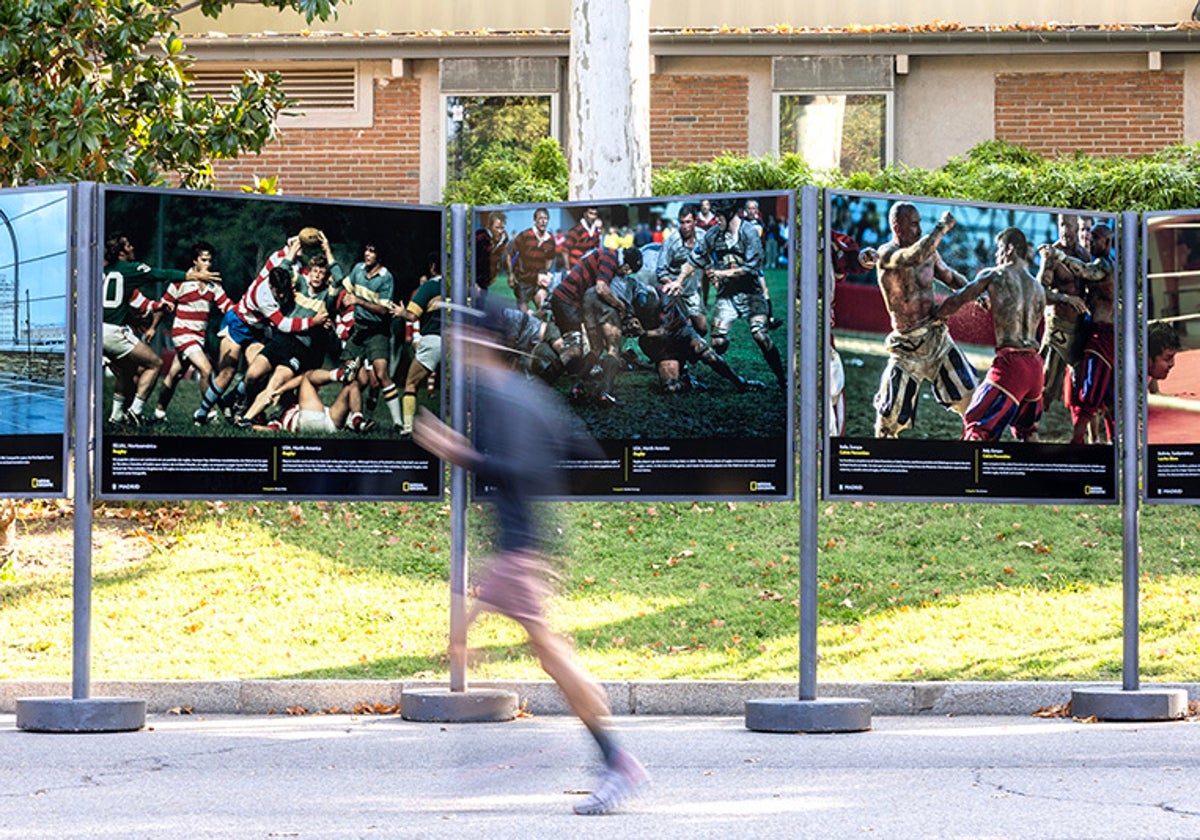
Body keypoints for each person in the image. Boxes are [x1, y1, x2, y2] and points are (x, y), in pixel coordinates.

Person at [411, 308, 648, 817]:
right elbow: (580, 447)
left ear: (485, 340)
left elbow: (519, 467)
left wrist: (459, 453)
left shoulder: (502, 396)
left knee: (550, 656)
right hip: (527, 545)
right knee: (546, 652)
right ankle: (614, 756)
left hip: (521, 548)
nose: (455, 340)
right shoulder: (522, 392)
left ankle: (617, 759)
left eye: (463, 332)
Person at [940, 228, 1084, 442]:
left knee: (976, 421)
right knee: (1028, 431)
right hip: (1036, 367)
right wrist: (1066, 298)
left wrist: (936, 315)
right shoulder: (1036, 286)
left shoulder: (994, 274)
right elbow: (1051, 297)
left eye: (999, 250)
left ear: (1009, 249)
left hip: (1011, 366)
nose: (996, 256)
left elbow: (959, 298)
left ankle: (971, 474)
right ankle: (1033, 474)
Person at [871, 202, 979, 438]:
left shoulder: (929, 250)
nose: (919, 229)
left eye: (920, 224)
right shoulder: (886, 255)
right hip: (906, 347)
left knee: (972, 399)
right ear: (897, 227)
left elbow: (949, 276)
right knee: (888, 421)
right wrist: (941, 227)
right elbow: (913, 256)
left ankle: (973, 455)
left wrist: (974, 292)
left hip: (937, 338)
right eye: (913, 225)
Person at [102, 232, 219, 425]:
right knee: (155, 364)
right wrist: (192, 275)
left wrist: (149, 311)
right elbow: (161, 274)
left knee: (131, 370)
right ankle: (136, 412)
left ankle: (119, 416)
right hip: (115, 332)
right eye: (128, 245)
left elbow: (134, 302)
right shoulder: (131, 269)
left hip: (96, 331)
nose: (132, 247)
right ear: (121, 252)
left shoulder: (103, 271)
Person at [670, 199, 787, 389]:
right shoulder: (714, 234)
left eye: (719, 216)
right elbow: (694, 259)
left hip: (751, 293)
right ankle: (732, 376)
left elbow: (751, 268)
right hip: (727, 295)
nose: (716, 220)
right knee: (717, 342)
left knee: (760, 336)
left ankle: (782, 380)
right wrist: (679, 280)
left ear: (731, 214)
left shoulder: (749, 233)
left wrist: (721, 273)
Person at [548, 245, 643, 406]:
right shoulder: (610, 257)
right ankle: (605, 393)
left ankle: (577, 387)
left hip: (581, 301)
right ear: (627, 266)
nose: (626, 274)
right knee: (607, 348)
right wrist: (621, 307)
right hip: (568, 301)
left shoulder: (606, 253)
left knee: (595, 349)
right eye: (628, 271)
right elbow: (601, 288)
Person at [149, 241, 233, 421]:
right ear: (195, 261)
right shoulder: (181, 282)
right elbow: (163, 306)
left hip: (198, 338)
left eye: (210, 260)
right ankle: (208, 415)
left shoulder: (214, 286)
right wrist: (152, 328)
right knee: (206, 369)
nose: (208, 264)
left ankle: (158, 412)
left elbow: (228, 308)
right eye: (204, 260)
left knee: (174, 375)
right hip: (182, 334)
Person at [1053, 223, 1117, 443]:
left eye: (1096, 237)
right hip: (1096, 332)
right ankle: (1103, 442)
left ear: (1107, 242)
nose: (1090, 240)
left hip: (1103, 337)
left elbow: (1085, 272)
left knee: (1089, 393)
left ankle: (1077, 443)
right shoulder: (1105, 263)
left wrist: (1059, 257)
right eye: (1090, 236)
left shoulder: (1104, 264)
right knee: (1104, 395)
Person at [340, 243, 404, 431]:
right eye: (366, 250)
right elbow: (346, 288)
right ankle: (354, 419)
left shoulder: (386, 278)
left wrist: (358, 301)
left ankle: (399, 424)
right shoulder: (358, 269)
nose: (367, 254)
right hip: (359, 329)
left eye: (372, 251)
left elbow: (384, 310)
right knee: (350, 375)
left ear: (380, 256)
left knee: (381, 375)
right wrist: (343, 299)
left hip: (377, 330)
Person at [1039, 214, 1091, 410]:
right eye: (1062, 225)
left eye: (1069, 225)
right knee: (1047, 383)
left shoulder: (1083, 254)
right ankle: (1028, 429)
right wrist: (1066, 299)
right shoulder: (1051, 255)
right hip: (1058, 326)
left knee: (1084, 385)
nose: (1066, 230)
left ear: (1077, 227)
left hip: (1079, 327)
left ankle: (1088, 435)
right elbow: (1040, 291)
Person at [398, 255, 445, 437]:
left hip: (434, 340)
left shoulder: (430, 286)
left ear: (433, 267)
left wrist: (402, 312)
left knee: (411, 383)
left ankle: (408, 428)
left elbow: (412, 316)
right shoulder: (459, 285)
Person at [655, 203, 707, 335]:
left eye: (688, 222)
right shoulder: (671, 241)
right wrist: (671, 284)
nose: (685, 227)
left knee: (702, 328)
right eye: (682, 222)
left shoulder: (703, 237)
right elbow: (660, 270)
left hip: (691, 291)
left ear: (695, 221)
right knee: (681, 330)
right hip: (673, 293)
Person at [507, 207, 558, 313]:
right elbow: (509, 253)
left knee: (543, 309)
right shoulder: (525, 235)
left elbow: (550, 259)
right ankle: (528, 317)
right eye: (540, 218)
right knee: (524, 315)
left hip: (538, 282)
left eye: (546, 218)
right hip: (522, 280)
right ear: (534, 221)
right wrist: (510, 274)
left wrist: (545, 273)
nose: (543, 221)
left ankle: (538, 321)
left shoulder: (550, 239)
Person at [1147, 321, 1181, 393]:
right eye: (1168, 358)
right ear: (1147, 359)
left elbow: (1156, 394)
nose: (1172, 364)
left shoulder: (1149, 369)